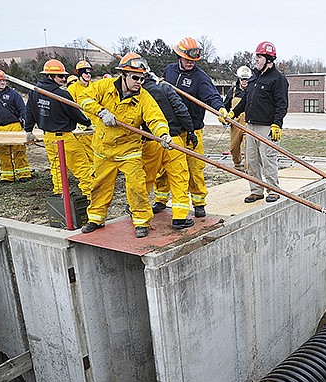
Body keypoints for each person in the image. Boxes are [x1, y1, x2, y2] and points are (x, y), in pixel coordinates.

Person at [79, 53, 171, 238]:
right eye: (135, 78)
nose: (139, 82)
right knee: (99, 185)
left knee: (137, 186)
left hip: (129, 150)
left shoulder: (144, 98)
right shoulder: (104, 87)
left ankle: (141, 222)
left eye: (142, 78)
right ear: (123, 75)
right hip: (103, 149)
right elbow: (84, 98)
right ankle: (96, 218)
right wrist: (101, 111)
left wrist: (163, 134)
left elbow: (156, 118)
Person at [162, 36, 229, 218]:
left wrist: (220, 109)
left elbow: (212, 95)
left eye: (194, 60)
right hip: (171, 130)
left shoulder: (200, 77)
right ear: (179, 56)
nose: (191, 63)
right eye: (187, 59)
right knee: (167, 167)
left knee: (194, 168)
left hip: (193, 130)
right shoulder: (169, 71)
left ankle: (199, 202)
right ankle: (160, 199)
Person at [231, 41, 289, 203]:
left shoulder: (278, 79)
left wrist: (277, 124)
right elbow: (246, 100)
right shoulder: (254, 77)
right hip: (250, 125)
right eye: (256, 56)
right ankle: (256, 190)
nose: (256, 59)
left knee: (268, 158)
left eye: (259, 56)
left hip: (267, 127)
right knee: (251, 160)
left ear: (269, 59)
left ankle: (273, 189)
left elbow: (282, 104)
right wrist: (233, 113)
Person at [24, 60, 92, 198]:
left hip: (49, 138)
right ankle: (91, 196)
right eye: (60, 76)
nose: (63, 79)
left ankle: (61, 195)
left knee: (57, 169)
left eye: (64, 76)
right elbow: (75, 112)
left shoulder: (35, 92)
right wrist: (87, 123)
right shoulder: (61, 95)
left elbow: (29, 111)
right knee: (82, 168)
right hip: (65, 137)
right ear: (50, 76)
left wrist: (28, 130)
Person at [141, 76, 199, 230]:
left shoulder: (138, 93)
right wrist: (190, 130)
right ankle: (179, 217)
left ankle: (138, 213)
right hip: (172, 140)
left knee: (145, 179)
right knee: (179, 177)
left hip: (150, 141)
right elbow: (181, 110)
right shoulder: (165, 88)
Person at [223, 65, 252, 170]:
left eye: (247, 79)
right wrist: (224, 118)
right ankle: (237, 164)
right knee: (234, 147)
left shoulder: (252, 91)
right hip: (235, 123)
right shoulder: (233, 91)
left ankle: (248, 168)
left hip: (248, 123)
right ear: (239, 79)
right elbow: (225, 106)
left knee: (248, 147)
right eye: (243, 79)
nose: (245, 81)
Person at [67, 60, 97, 162]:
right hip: (83, 125)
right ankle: (94, 172)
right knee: (88, 151)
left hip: (97, 124)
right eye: (85, 72)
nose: (88, 75)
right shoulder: (72, 88)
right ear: (79, 73)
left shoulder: (94, 86)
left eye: (89, 72)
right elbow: (71, 107)